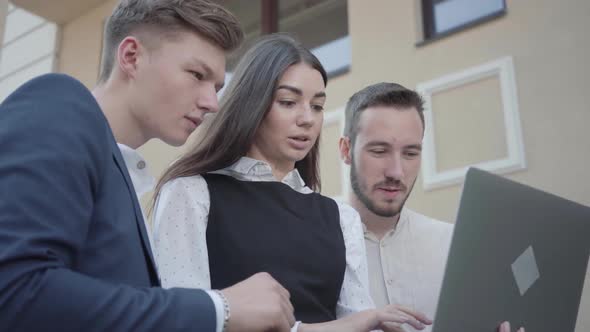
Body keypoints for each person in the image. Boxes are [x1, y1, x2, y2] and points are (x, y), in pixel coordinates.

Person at [0, 1, 296, 331]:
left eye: (216, 87)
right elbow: (14, 291)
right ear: (131, 57)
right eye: (197, 75)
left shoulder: (123, 179)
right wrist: (220, 308)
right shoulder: (58, 102)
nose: (211, 103)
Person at [152, 34, 433, 332]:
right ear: (252, 104)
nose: (307, 119)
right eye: (288, 102)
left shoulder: (341, 218)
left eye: (317, 106)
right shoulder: (191, 194)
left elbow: (359, 323)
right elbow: (183, 324)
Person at [338, 82, 524, 332]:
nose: (396, 171)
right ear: (346, 150)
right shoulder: (311, 239)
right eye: (380, 151)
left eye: (410, 153)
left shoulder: (454, 246)